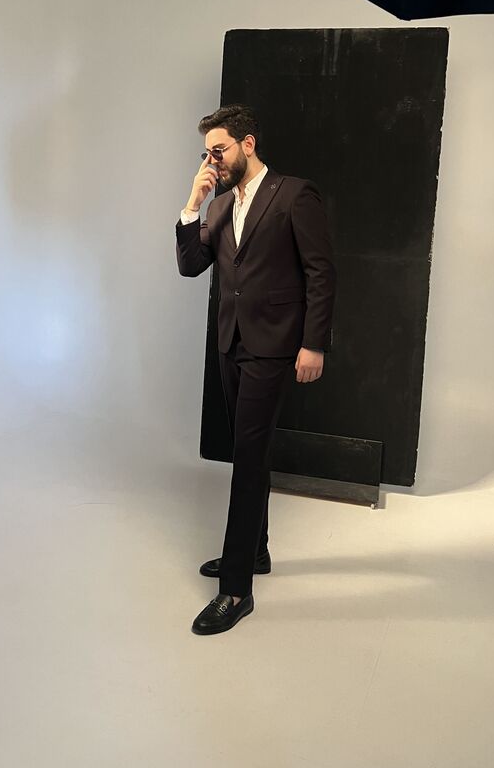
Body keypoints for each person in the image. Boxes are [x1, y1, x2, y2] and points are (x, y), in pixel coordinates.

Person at [176, 104, 336, 635]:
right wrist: (193, 204)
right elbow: (190, 266)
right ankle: (256, 550)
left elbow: (320, 273)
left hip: (274, 349)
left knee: (247, 462)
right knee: (251, 452)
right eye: (207, 153)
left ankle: (236, 588)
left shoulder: (294, 194)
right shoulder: (220, 205)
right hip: (231, 344)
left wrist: (313, 344)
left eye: (219, 150)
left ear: (248, 144)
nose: (213, 161)